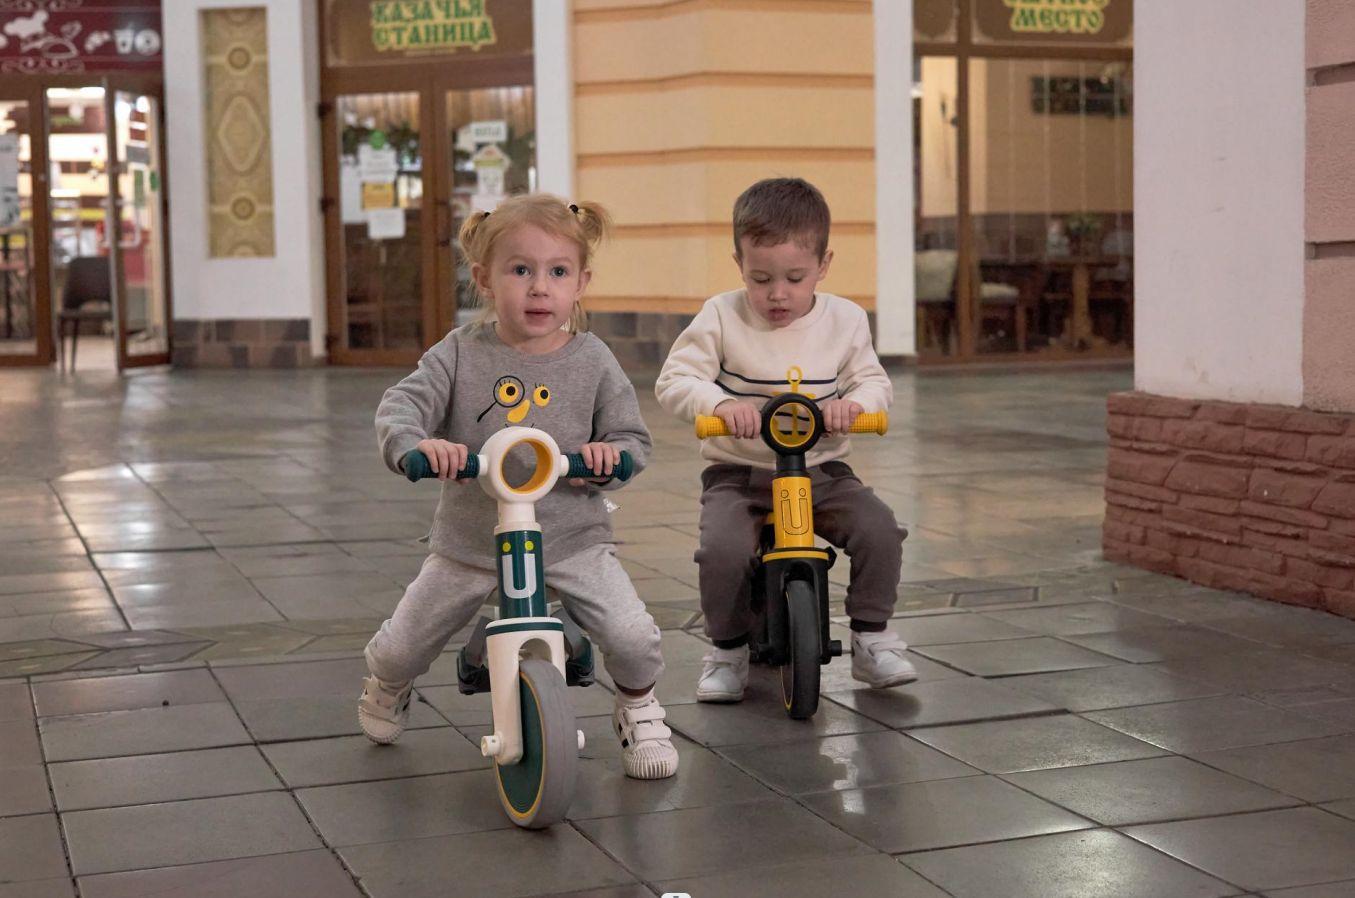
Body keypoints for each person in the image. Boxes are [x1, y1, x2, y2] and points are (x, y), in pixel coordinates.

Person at [359, 193, 678, 780]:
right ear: (484, 278)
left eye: (557, 272)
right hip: (471, 543)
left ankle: (638, 704)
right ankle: (387, 683)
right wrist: (417, 446)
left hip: (572, 540)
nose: (539, 288)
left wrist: (610, 458)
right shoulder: (459, 353)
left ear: (581, 283)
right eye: (520, 270)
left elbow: (631, 438)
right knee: (403, 645)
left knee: (633, 636)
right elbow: (402, 405)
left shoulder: (593, 360)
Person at [655, 177, 916, 703]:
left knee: (880, 529)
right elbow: (675, 380)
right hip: (740, 473)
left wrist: (854, 406)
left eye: (795, 278)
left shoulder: (844, 319)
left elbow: (873, 382)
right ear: (739, 263)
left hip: (822, 471)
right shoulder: (721, 315)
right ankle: (727, 650)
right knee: (723, 550)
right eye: (761, 278)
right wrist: (719, 406)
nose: (778, 293)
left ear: (823, 264)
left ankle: (872, 637)